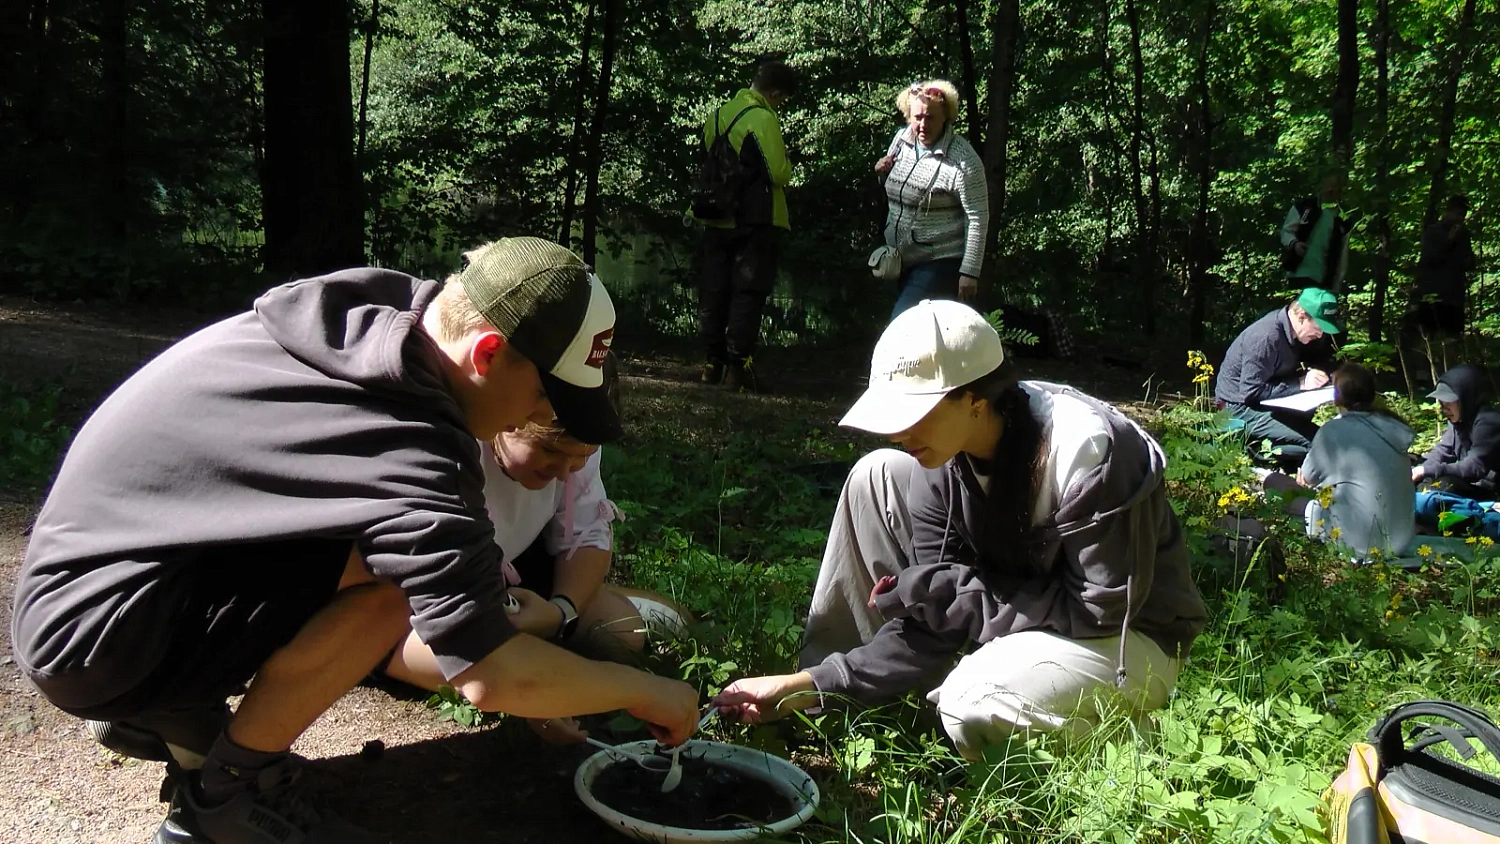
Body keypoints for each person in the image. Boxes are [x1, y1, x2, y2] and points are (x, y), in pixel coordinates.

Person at [10, 238, 701, 844]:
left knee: (364, 555)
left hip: (94, 585)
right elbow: (490, 674)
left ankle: (172, 713)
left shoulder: (364, 323)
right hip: (96, 638)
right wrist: (643, 692)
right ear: (488, 352)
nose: (542, 418)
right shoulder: (408, 443)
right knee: (392, 584)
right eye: (545, 399)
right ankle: (223, 800)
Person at [710, 300, 1206, 758]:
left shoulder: (1088, 453)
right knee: (876, 473)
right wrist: (809, 685)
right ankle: (836, 706)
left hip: (1127, 641)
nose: (897, 432)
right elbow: (933, 625)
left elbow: (1098, 612)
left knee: (972, 699)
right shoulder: (940, 461)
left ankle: (1132, 735)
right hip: (1044, 620)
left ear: (975, 400)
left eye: (912, 414)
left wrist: (957, 595)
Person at [381, 353, 651, 742]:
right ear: (508, 420)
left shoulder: (579, 439)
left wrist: (562, 611)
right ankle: (524, 672)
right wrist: (533, 694)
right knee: (462, 659)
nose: (565, 472)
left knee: (624, 632)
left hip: (513, 575)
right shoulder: (452, 447)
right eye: (550, 452)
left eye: (582, 458)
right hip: (419, 602)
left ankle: (534, 653)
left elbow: (588, 536)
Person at [694, 60, 797, 393]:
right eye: (782, 99)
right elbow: (778, 172)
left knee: (714, 288)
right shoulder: (763, 119)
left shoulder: (718, 115)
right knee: (748, 292)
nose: (780, 105)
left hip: (715, 214)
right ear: (775, 92)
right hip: (755, 218)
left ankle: (712, 363)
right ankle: (739, 368)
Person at [875, 80, 990, 320]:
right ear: (908, 116)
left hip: (941, 261)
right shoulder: (901, 141)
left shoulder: (963, 160)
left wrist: (970, 272)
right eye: (917, 117)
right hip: (900, 260)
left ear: (946, 117)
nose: (923, 124)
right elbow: (894, 191)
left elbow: (978, 217)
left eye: (931, 118)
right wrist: (882, 173)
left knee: (903, 325)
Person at [1296, 363, 1416, 561]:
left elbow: (1308, 477)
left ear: (1337, 397)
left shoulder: (1333, 430)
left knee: (1280, 487)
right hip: (1400, 541)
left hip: (1357, 543)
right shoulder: (1392, 427)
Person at [1215, 287, 1341, 466]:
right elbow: (1250, 392)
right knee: (1318, 443)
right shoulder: (1265, 337)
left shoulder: (1295, 332)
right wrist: (1300, 383)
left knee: (1319, 435)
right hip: (1238, 408)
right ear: (1302, 316)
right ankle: (1254, 452)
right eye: (1319, 327)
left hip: (1263, 403)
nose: (1321, 334)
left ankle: (1281, 455)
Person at [1405, 195, 1476, 375]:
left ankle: (1449, 374)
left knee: (1453, 337)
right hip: (1432, 292)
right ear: (1448, 211)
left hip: (1454, 294)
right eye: (1457, 213)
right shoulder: (1433, 232)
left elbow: (1468, 262)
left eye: (1463, 214)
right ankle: (1422, 375)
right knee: (1427, 335)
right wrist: (1449, 241)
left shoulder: (1464, 234)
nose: (1460, 218)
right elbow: (1430, 259)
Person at [1413, 364, 1500, 500]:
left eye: (1449, 402)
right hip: (1471, 485)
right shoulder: (1459, 420)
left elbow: (1475, 466)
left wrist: (1428, 471)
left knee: (1442, 485)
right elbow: (1443, 451)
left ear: (1466, 397)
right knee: (1422, 480)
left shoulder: (1489, 421)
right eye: (1442, 403)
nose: (1444, 408)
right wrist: (1418, 469)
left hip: (1490, 489)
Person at [1280, 173, 1354, 292]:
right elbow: (1286, 232)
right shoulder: (1303, 207)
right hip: (1297, 275)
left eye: (1335, 186)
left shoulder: (1342, 221)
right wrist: (1295, 244)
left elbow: (1342, 258)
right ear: (1322, 185)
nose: (1330, 189)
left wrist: (1335, 288)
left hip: (1322, 282)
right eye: (1329, 185)